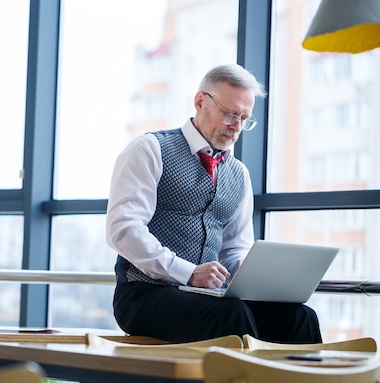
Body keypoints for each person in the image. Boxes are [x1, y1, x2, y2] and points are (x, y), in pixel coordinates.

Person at [105, 63, 322, 344]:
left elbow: (234, 248)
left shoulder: (239, 174)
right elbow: (123, 230)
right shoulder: (149, 149)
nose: (237, 127)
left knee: (300, 317)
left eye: (245, 119)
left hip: (209, 297)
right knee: (231, 315)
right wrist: (188, 273)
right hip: (143, 294)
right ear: (200, 101)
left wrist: (253, 275)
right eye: (230, 114)